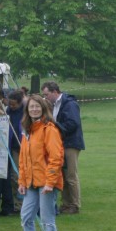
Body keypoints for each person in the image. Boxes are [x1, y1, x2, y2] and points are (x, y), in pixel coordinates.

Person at [9, 94, 64, 231]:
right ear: (27, 110)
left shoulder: (49, 129)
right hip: (31, 183)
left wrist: (50, 182)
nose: (34, 109)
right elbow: (24, 160)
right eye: (31, 107)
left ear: (43, 108)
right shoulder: (28, 130)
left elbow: (56, 158)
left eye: (37, 106)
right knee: (26, 217)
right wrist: (22, 182)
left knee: (48, 220)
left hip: (46, 183)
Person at [41, 81, 85, 214]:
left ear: (55, 92)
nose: (45, 98)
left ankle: (75, 204)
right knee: (64, 175)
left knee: (71, 175)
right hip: (62, 143)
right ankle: (66, 204)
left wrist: (56, 126)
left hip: (71, 143)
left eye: (46, 95)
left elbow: (73, 124)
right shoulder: (54, 105)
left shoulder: (70, 104)